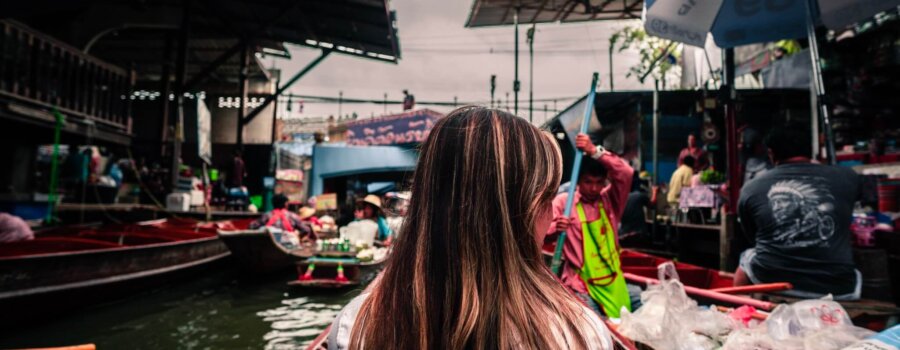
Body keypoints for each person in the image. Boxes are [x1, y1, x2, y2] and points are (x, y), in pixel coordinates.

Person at [328, 107, 613, 349]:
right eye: (547, 199)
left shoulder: (355, 326)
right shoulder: (581, 334)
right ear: (526, 212)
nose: (552, 215)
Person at [735, 127, 861, 300]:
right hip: (839, 287)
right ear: (811, 150)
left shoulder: (751, 188)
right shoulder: (848, 177)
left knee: (747, 256)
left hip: (772, 279)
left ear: (771, 154)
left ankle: (738, 313)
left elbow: (752, 235)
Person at [547, 133, 634, 318]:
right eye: (588, 182)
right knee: (597, 327)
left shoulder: (610, 200)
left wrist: (595, 151)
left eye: (598, 183)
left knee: (623, 326)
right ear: (578, 181)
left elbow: (626, 173)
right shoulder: (564, 202)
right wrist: (556, 227)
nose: (594, 189)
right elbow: (539, 234)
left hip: (613, 280)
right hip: (580, 284)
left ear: (605, 182)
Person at [249, 194, 315, 241]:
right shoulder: (292, 215)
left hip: (270, 243)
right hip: (288, 243)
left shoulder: (267, 215)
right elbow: (306, 230)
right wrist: (298, 236)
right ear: (286, 204)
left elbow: (252, 226)